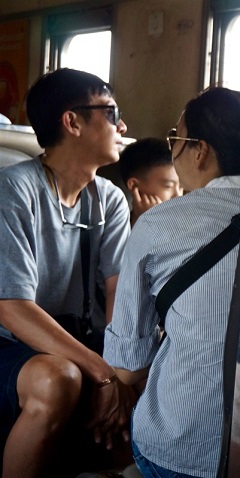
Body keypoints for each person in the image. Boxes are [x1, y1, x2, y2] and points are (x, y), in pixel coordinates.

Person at [104, 86, 240, 478]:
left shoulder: (158, 223)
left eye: (176, 140)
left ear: (200, 150)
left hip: (182, 446)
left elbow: (128, 368)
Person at [0, 68, 132, 477]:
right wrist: (102, 371)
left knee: (147, 374)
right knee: (59, 379)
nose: (122, 125)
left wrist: (121, 370)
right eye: (111, 112)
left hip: (80, 336)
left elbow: (119, 295)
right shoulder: (15, 190)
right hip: (13, 342)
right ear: (72, 122)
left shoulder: (109, 200)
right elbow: (13, 308)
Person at [118, 137, 183, 226]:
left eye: (181, 187)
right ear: (134, 186)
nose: (178, 196)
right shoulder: (115, 227)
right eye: (168, 186)